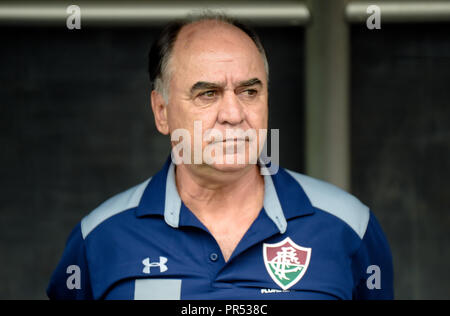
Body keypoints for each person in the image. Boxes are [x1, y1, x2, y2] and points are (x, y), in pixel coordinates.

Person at [47, 13, 393, 300]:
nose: (232, 112)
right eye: (208, 93)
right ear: (161, 111)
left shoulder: (349, 226)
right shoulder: (100, 237)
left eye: (249, 91)